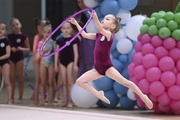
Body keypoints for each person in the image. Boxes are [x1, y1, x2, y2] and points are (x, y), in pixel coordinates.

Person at [69, 11, 153, 109]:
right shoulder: (98, 35)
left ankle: (143, 96)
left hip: (107, 67)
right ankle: (98, 94)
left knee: (126, 82)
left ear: (112, 26)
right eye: (104, 18)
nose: (104, 20)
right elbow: (85, 35)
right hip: (97, 69)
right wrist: (76, 24)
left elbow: (100, 28)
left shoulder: (109, 35)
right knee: (79, 82)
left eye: (107, 19)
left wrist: (95, 18)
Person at [54, 21, 78, 107]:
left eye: (68, 28)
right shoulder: (59, 40)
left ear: (71, 29)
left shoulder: (73, 39)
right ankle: (65, 101)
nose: (66, 30)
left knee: (70, 82)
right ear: (61, 29)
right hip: (62, 62)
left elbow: (76, 53)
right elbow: (56, 53)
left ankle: (70, 101)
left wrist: (75, 64)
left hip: (70, 61)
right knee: (64, 82)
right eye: (64, 28)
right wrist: (56, 64)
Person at [8, 18, 30, 103]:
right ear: (11, 27)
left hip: (19, 58)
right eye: (13, 25)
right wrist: (11, 48)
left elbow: (28, 49)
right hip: (11, 58)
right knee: (12, 79)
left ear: (20, 25)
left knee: (20, 78)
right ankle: (11, 97)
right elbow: (7, 47)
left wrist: (21, 48)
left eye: (17, 24)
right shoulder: (9, 37)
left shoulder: (24, 36)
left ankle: (20, 97)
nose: (15, 26)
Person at [75, 0, 96, 77]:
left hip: (90, 41)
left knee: (91, 61)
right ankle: (78, 84)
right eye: (78, 2)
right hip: (80, 42)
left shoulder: (92, 13)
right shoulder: (77, 15)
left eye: (82, 2)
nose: (81, 4)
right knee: (81, 62)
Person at [39, 20, 55, 105]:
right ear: (42, 32)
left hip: (51, 62)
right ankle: (42, 99)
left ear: (51, 32)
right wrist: (43, 51)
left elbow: (56, 54)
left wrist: (56, 65)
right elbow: (38, 54)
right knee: (42, 82)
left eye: (48, 32)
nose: (47, 34)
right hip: (43, 63)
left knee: (51, 82)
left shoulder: (53, 43)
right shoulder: (41, 42)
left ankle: (50, 99)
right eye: (45, 32)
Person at [31, 18, 46, 105]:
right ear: (39, 27)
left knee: (43, 80)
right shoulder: (37, 37)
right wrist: (42, 52)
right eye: (44, 25)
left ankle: (37, 97)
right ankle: (36, 99)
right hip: (37, 60)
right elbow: (34, 51)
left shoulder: (45, 37)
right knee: (38, 80)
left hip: (43, 60)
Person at [0, 22, 12, 104]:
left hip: (5, 62)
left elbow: (8, 54)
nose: (0, 30)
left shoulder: (6, 41)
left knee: (7, 81)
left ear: (6, 31)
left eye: (2, 29)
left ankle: (9, 100)